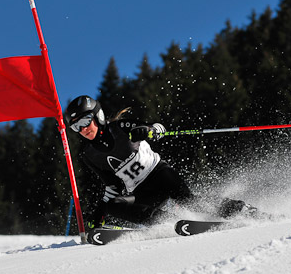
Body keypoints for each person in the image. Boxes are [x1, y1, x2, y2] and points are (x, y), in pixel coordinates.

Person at [64, 95, 250, 229]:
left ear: (98, 116)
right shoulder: (90, 155)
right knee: (115, 205)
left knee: (188, 201)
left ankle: (239, 209)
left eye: (86, 121)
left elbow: (158, 128)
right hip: (142, 192)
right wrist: (100, 213)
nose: (83, 129)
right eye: (76, 126)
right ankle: (167, 224)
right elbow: (112, 187)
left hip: (160, 174)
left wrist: (148, 130)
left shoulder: (120, 127)